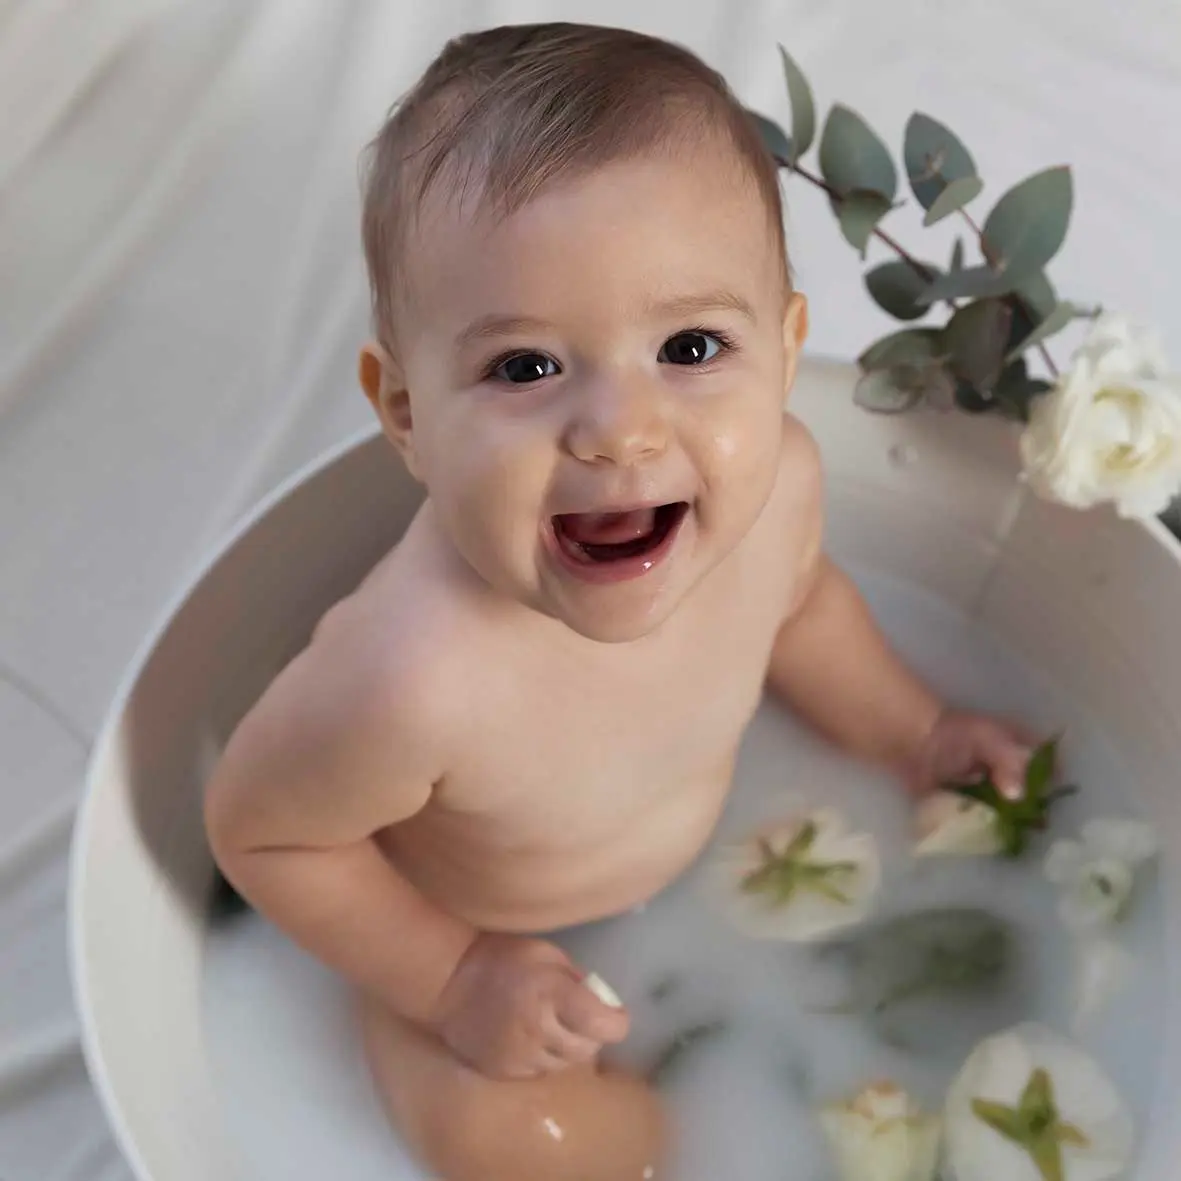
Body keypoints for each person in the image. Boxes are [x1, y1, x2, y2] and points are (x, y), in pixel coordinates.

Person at [204, 22, 1033, 1181]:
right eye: (525, 367)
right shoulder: (411, 675)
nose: (620, 429)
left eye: (690, 344)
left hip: (686, 872)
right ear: (402, 413)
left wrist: (913, 730)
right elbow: (262, 828)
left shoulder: (777, 487)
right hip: (457, 926)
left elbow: (798, 616)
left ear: (788, 349)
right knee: (537, 1150)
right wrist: (451, 977)